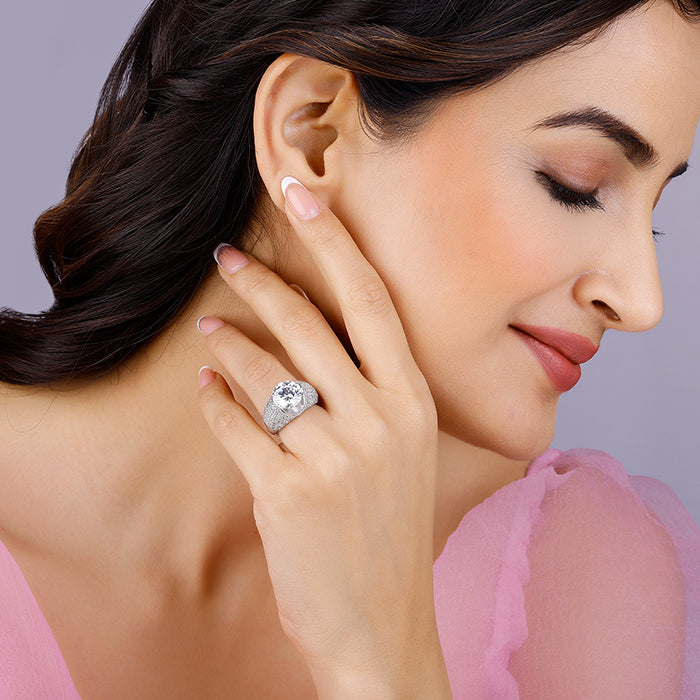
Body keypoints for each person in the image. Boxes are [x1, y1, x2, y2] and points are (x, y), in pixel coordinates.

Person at [0, 0, 699, 697]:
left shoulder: (577, 572)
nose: (643, 302)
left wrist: (381, 657)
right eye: (577, 184)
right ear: (312, 132)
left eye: (654, 216)